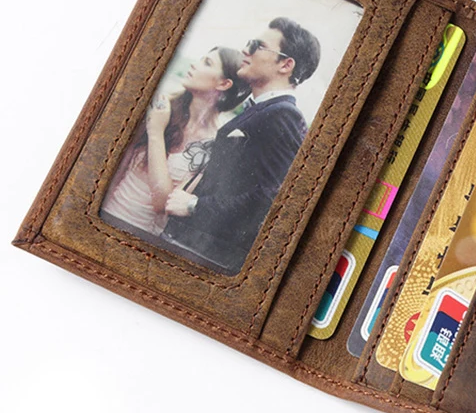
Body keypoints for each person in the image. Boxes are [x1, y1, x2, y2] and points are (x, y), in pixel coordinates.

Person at [163, 17, 321, 273]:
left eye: (257, 45)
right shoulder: (264, 109)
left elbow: (271, 197)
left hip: (208, 256)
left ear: (285, 64)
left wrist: (194, 206)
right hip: (194, 246)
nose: (245, 50)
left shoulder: (284, 115)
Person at [102, 47, 249, 236]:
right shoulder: (162, 108)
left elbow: (163, 204)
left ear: (224, 83)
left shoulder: (216, 145)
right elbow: (116, 171)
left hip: (141, 236)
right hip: (107, 216)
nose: (194, 65)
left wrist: (156, 132)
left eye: (207, 63)